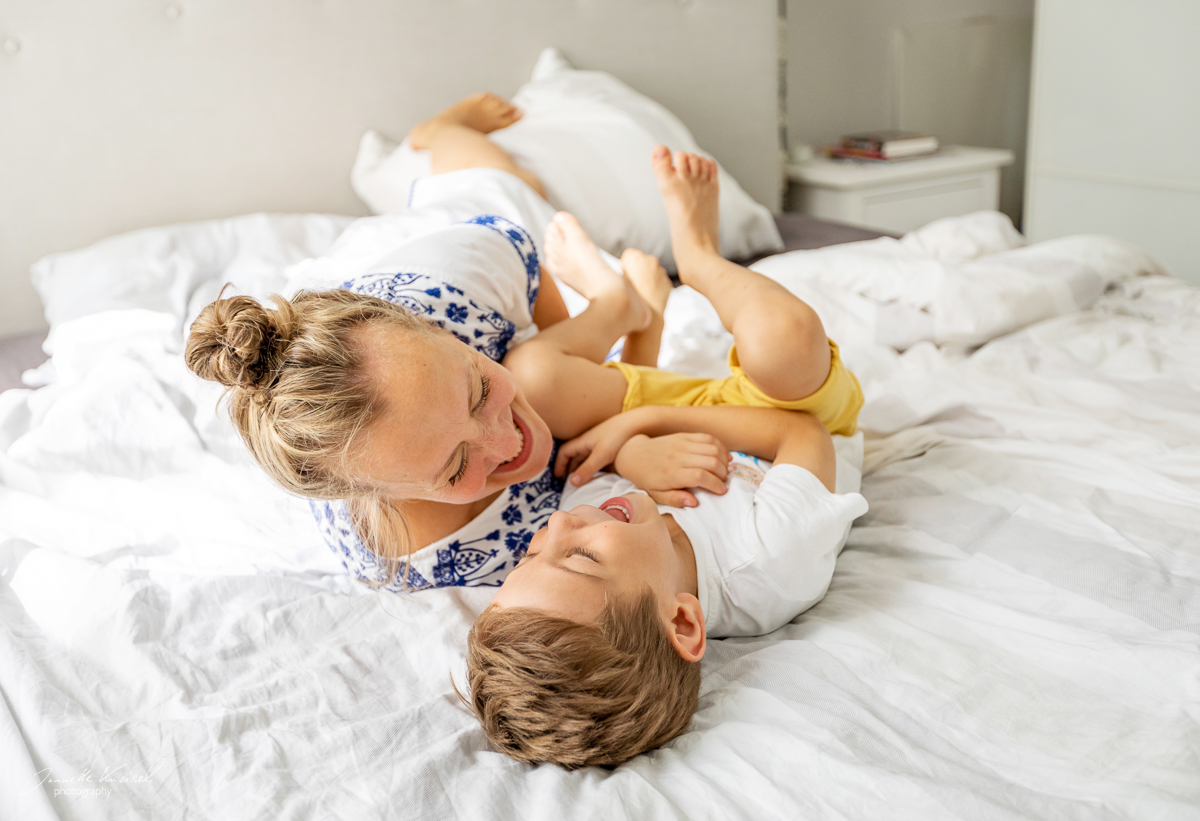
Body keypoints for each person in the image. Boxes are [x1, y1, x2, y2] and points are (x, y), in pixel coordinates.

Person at [184, 93, 862, 593]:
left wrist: (596, 325)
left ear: (450, 339)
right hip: (364, 313)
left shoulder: (458, 288)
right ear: (376, 492)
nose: (513, 445)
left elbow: (524, 267)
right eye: (454, 468)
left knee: (517, 191)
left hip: (459, 246)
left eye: (480, 390)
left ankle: (446, 132)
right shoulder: (418, 559)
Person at [460, 192, 872, 765]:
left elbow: (602, 453)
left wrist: (631, 453)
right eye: (579, 557)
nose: (557, 522)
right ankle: (700, 259)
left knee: (530, 377)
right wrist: (648, 420)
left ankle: (625, 308)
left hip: (670, 402)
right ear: (682, 620)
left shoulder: (606, 526)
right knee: (785, 339)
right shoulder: (766, 565)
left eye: (532, 552)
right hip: (786, 408)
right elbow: (802, 434)